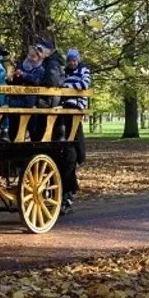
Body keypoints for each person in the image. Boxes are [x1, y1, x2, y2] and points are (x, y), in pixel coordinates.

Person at [59, 49, 90, 215]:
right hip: (64, 107)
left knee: (71, 152)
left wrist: (67, 87)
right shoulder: (64, 72)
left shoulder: (83, 71)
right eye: (70, 60)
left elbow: (83, 85)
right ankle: (65, 195)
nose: (72, 63)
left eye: (74, 60)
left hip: (74, 107)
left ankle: (67, 195)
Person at [6, 44, 46, 142]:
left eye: (33, 56)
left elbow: (36, 80)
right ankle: (12, 144)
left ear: (39, 58)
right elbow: (15, 81)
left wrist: (23, 75)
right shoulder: (22, 65)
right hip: (17, 99)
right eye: (29, 55)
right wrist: (13, 77)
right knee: (14, 124)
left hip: (30, 101)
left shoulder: (40, 69)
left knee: (31, 126)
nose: (30, 58)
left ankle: (34, 144)